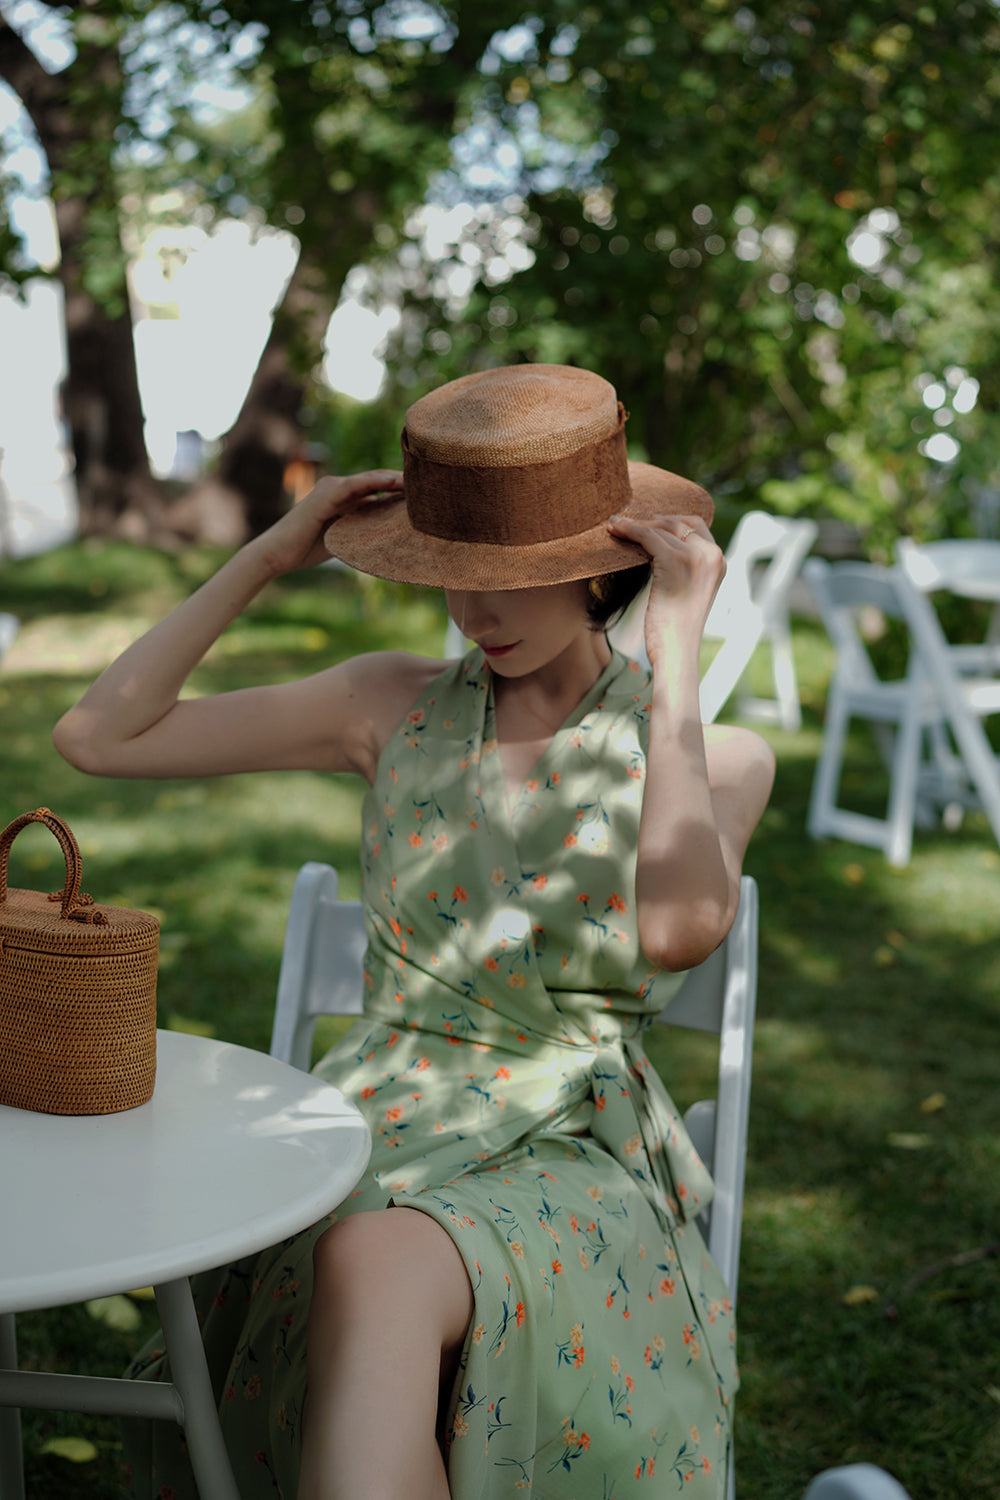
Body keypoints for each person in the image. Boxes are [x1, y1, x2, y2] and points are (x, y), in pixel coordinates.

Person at [54, 363, 775, 1500]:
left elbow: (683, 928)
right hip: (369, 1124)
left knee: (372, 1259)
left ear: (601, 568)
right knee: (354, 1248)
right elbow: (99, 737)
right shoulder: (385, 705)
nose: (473, 612)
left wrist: (677, 655)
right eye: (450, 578)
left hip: (567, 1152)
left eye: (506, 580)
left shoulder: (712, 755)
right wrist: (265, 557)